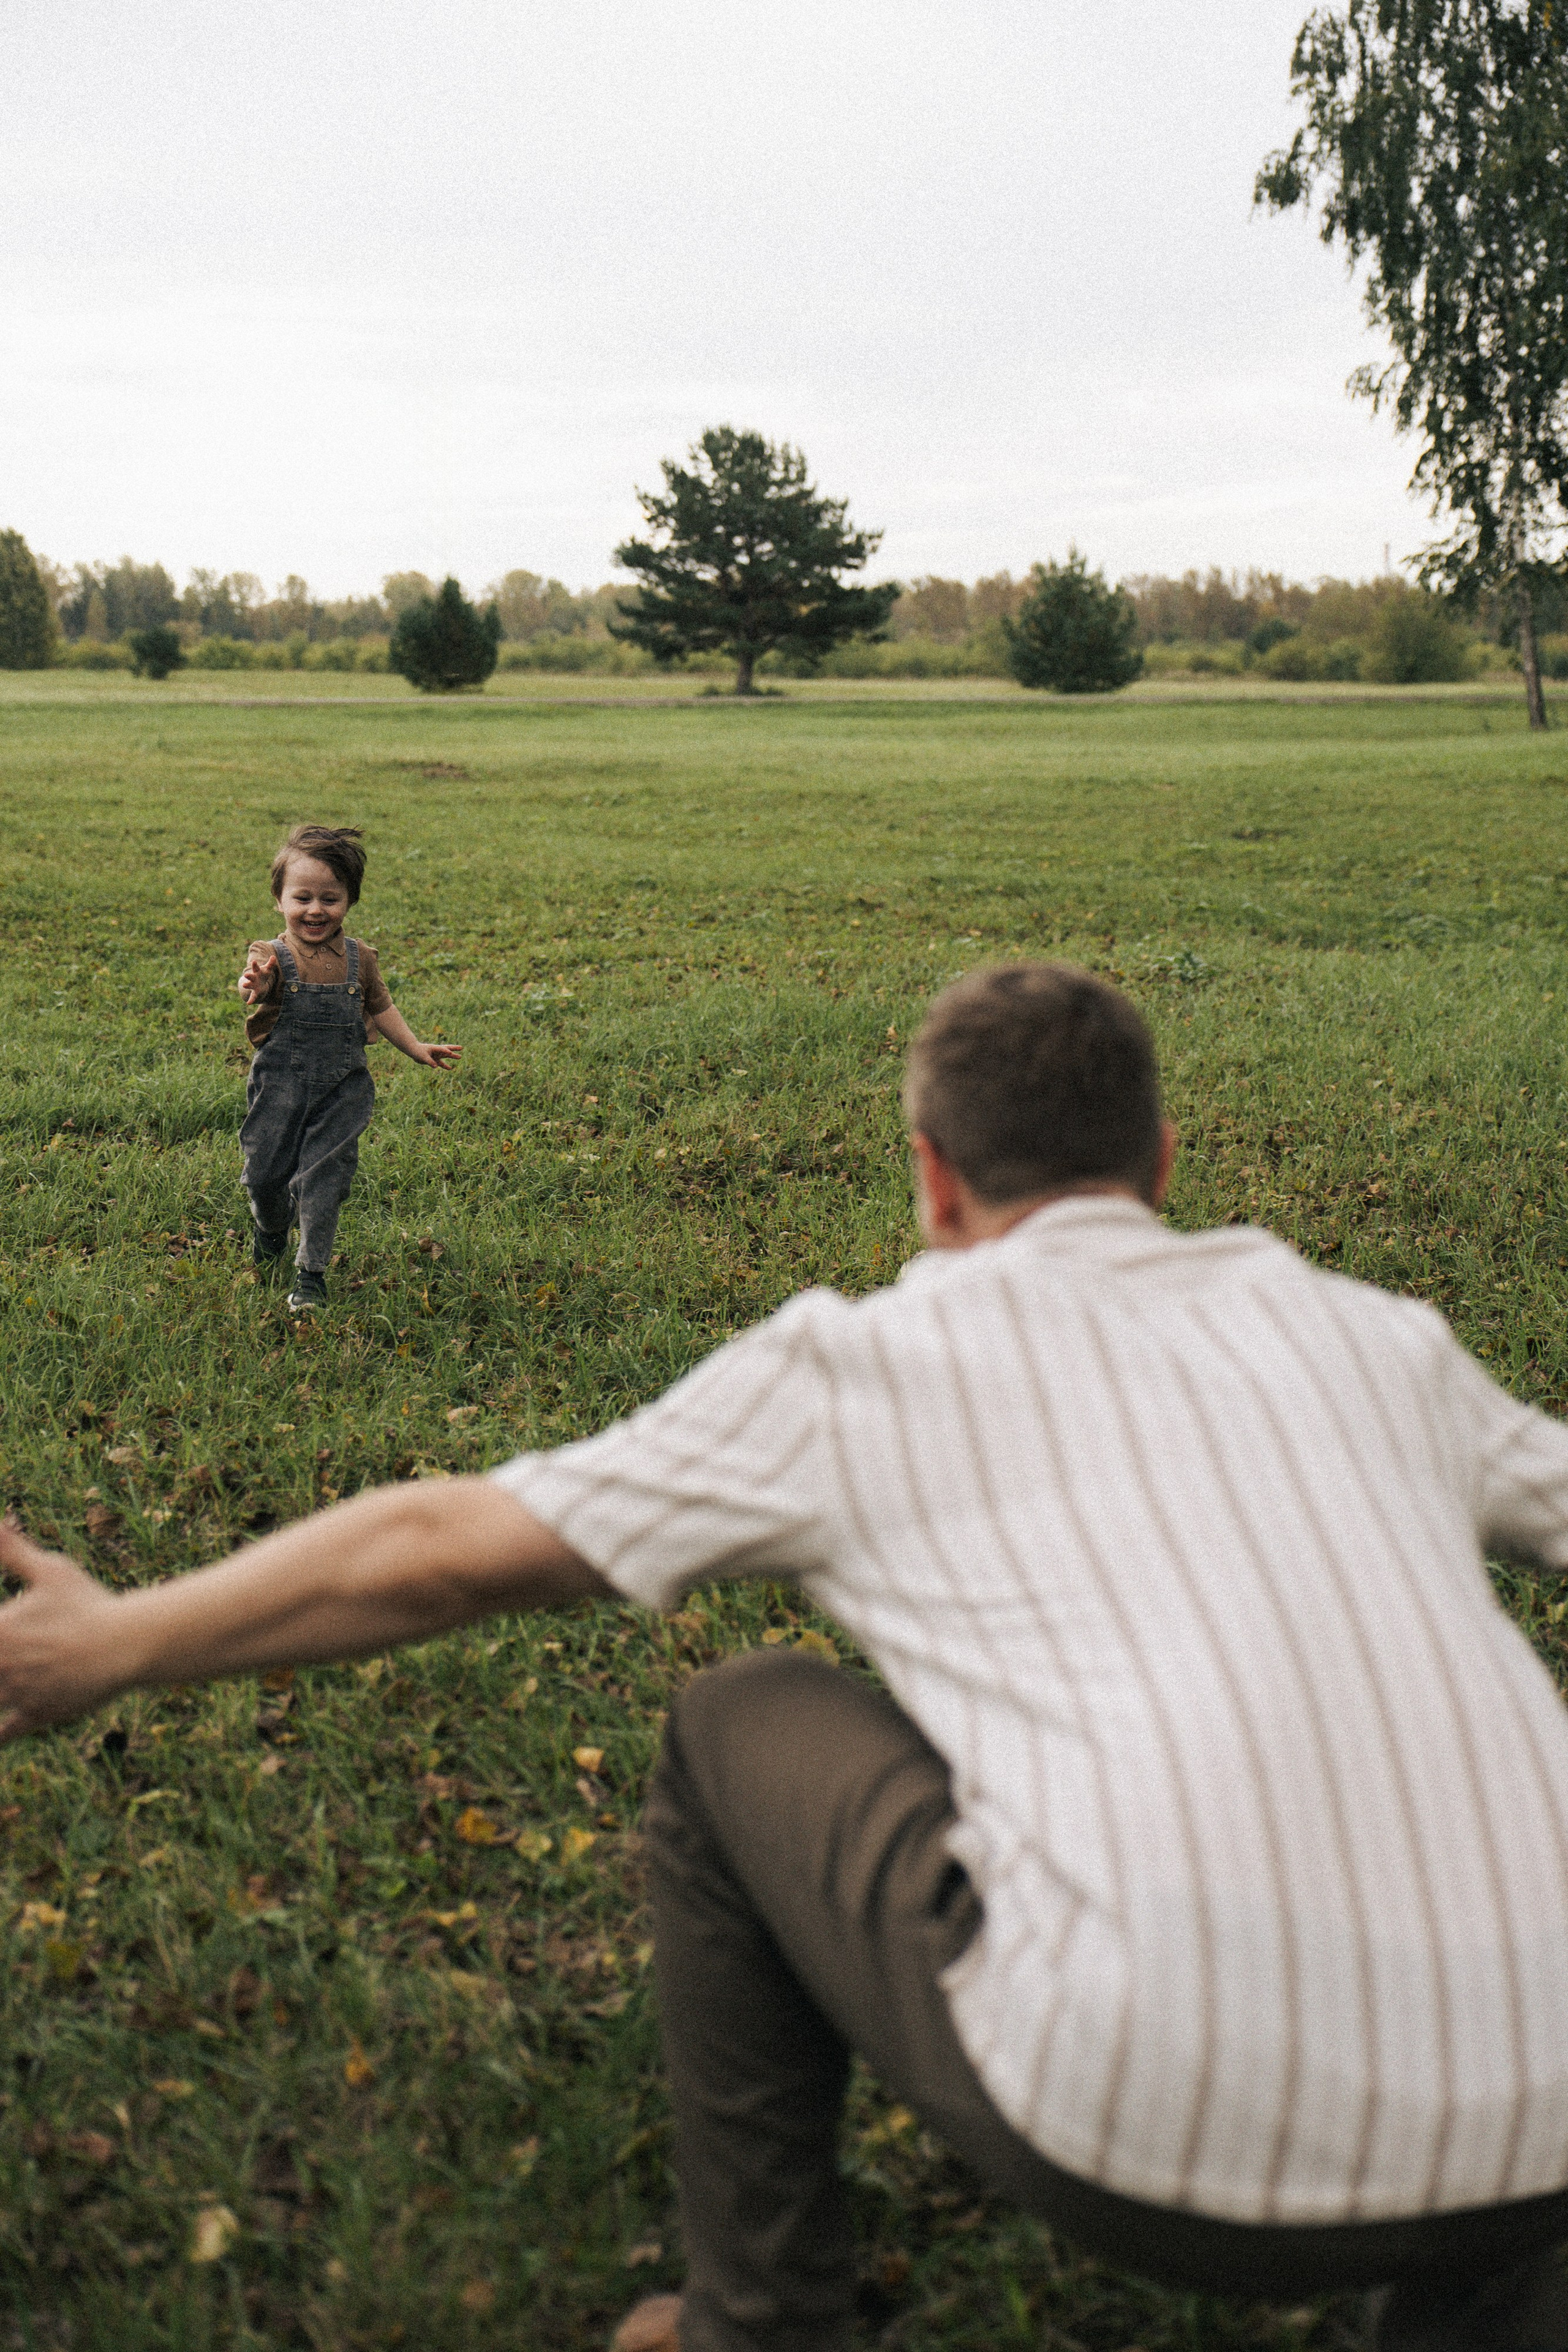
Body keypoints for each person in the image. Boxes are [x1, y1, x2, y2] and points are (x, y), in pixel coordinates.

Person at [4, 961, 1568, 2352]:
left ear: (930, 1178)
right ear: (1159, 1165)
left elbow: (438, 1549)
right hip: (1553, 2133)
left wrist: (114, 1639)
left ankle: (760, 2317)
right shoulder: (1377, 1338)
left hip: (1151, 2136)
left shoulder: (860, 1365)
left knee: (739, 1716)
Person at [237, 823, 461, 1312]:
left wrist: (415, 1046)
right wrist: (253, 983)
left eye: (330, 899)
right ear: (279, 900)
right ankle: (271, 1226)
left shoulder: (361, 960)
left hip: (342, 1089)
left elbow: (381, 1008)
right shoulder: (270, 956)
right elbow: (254, 985)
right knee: (264, 1176)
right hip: (280, 1087)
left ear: (349, 901)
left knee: (324, 1180)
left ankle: (311, 1273)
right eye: (302, 898)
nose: (316, 910)